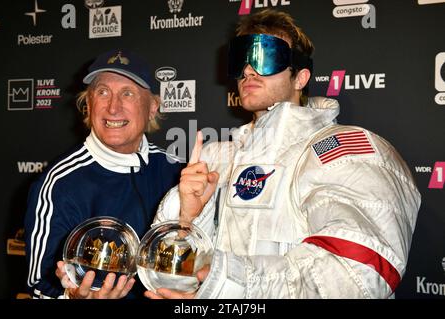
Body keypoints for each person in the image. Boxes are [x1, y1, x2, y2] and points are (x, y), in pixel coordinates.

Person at [146, 9, 421, 299]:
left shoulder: (343, 149)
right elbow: (164, 275)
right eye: (241, 59)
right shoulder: (216, 158)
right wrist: (188, 221)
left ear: (300, 77)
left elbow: (358, 275)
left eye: (265, 56)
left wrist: (225, 286)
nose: (249, 70)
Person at [24, 49, 182, 299]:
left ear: (152, 106)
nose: (113, 107)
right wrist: (73, 297)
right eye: (102, 92)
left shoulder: (176, 172)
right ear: (88, 105)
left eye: (127, 93)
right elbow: (39, 287)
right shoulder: (59, 184)